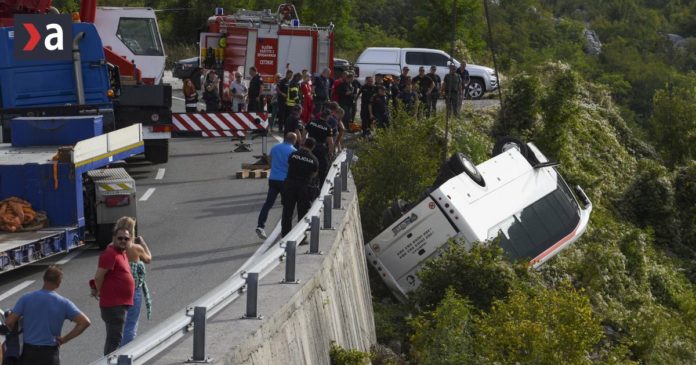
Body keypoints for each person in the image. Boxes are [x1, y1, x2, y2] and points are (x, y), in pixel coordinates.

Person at [4, 265, 91, 365]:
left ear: (43, 279)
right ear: (58, 284)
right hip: (50, 354)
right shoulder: (64, 303)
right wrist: (64, 339)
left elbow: (9, 322)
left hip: (29, 353)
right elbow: (85, 322)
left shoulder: (26, 298)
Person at [93, 224, 136, 355]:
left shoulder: (120, 253)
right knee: (114, 339)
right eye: (120, 238)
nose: (123, 240)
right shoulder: (110, 254)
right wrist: (99, 291)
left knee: (114, 338)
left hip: (119, 304)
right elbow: (99, 276)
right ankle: (109, 362)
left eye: (126, 239)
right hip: (114, 305)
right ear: (113, 238)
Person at [115, 217, 153, 347]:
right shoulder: (136, 248)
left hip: (117, 289)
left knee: (119, 325)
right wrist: (143, 243)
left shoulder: (112, 247)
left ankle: (115, 352)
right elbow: (148, 259)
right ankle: (126, 354)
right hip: (133, 290)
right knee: (131, 324)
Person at [256, 132, 298, 239]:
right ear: (294, 140)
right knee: (286, 205)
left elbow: (269, 160)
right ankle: (285, 231)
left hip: (273, 179)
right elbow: (293, 167)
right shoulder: (293, 151)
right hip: (285, 181)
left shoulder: (275, 147)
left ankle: (260, 226)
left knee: (268, 203)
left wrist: (274, 168)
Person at [281, 137, 319, 236]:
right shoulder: (314, 159)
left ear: (304, 144)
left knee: (287, 212)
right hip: (304, 188)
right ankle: (300, 236)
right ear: (313, 147)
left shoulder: (294, 154)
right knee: (302, 213)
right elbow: (314, 174)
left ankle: (285, 235)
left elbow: (289, 165)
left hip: (290, 185)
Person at [305, 109, 335, 183]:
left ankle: (308, 180)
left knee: (308, 164)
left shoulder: (312, 122)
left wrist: (302, 144)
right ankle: (321, 185)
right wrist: (331, 152)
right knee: (323, 168)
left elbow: (304, 132)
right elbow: (330, 142)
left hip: (309, 146)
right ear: (327, 117)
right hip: (321, 149)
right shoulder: (328, 127)